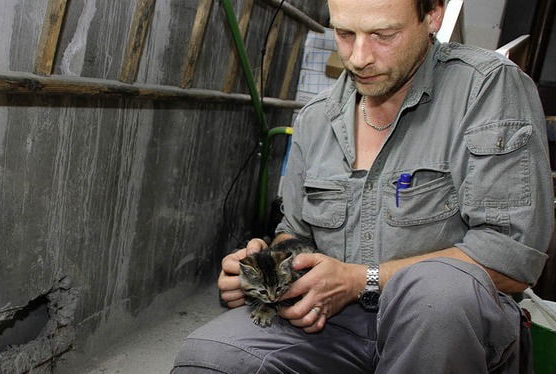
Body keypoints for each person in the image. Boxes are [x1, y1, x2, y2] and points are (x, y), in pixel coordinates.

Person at [172, 0, 554, 372]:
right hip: (332, 323)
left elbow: (512, 259)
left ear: (433, 14)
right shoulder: (315, 118)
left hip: (445, 327)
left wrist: (359, 280)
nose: (357, 57)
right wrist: (267, 262)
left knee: (440, 293)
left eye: (383, 34)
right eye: (343, 32)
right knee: (208, 358)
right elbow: (295, 233)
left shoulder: (489, 89)